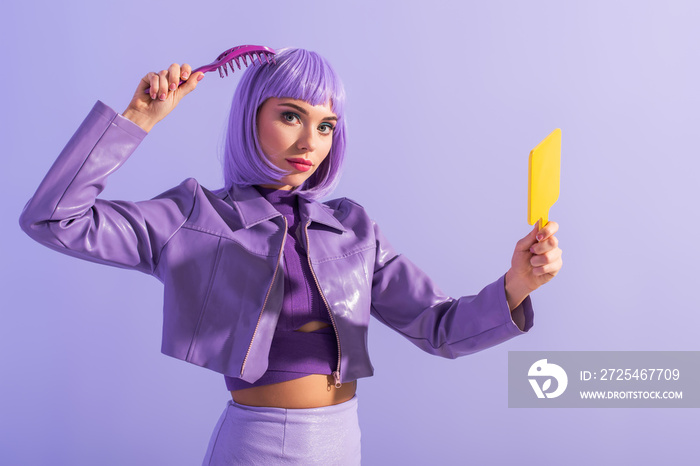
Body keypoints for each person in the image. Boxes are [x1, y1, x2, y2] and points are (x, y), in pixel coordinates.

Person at [19, 47, 562, 464]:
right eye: (290, 116)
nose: (310, 141)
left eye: (325, 125)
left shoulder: (352, 226)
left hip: (343, 440)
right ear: (251, 117)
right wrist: (137, 118)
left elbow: (439, 327)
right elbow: (53, 219)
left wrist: (516, 285)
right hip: (257, 445)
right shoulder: (194, 217)